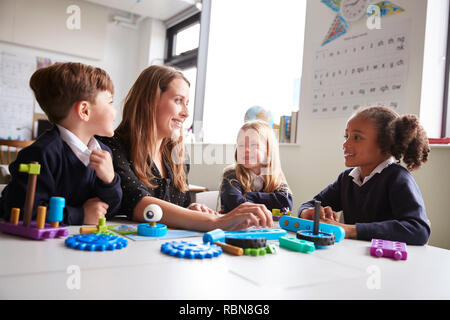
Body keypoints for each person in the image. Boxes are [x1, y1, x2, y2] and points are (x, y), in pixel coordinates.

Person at [99, 65, 273, 231]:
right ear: (149, 102)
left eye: (187, 103)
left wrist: (191, 209)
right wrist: (217, 221)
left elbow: (177, 208)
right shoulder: (111, 145)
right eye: (178, 100)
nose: (186, 113)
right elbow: (140, 204)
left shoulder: (177, 155)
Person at [0, 62, 122, 225]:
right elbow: (23, 213)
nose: (115, 111)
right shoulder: (41, 154)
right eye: (110, 102)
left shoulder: (103, 152)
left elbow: (108, 210)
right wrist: (81, 215)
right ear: (84, 111)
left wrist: (109, 181)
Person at [298, 105, 431, 245]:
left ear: (385, 144)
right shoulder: (347, 179)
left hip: (387, 263)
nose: (345, 144)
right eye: (346, 136)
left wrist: (351, 230)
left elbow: (419, 230)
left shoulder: (397, 178)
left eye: (356, 137)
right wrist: (307, 212)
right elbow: (310, 204)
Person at [220, 120, 293, 214]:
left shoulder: (275, 178)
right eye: (241, 145)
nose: (246, 149)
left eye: (253, 144)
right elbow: (236, 204)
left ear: (268, 149)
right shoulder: (231, 175)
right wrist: (270, 203)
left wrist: (249, 196)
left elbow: (286, 204)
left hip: (266, 228)